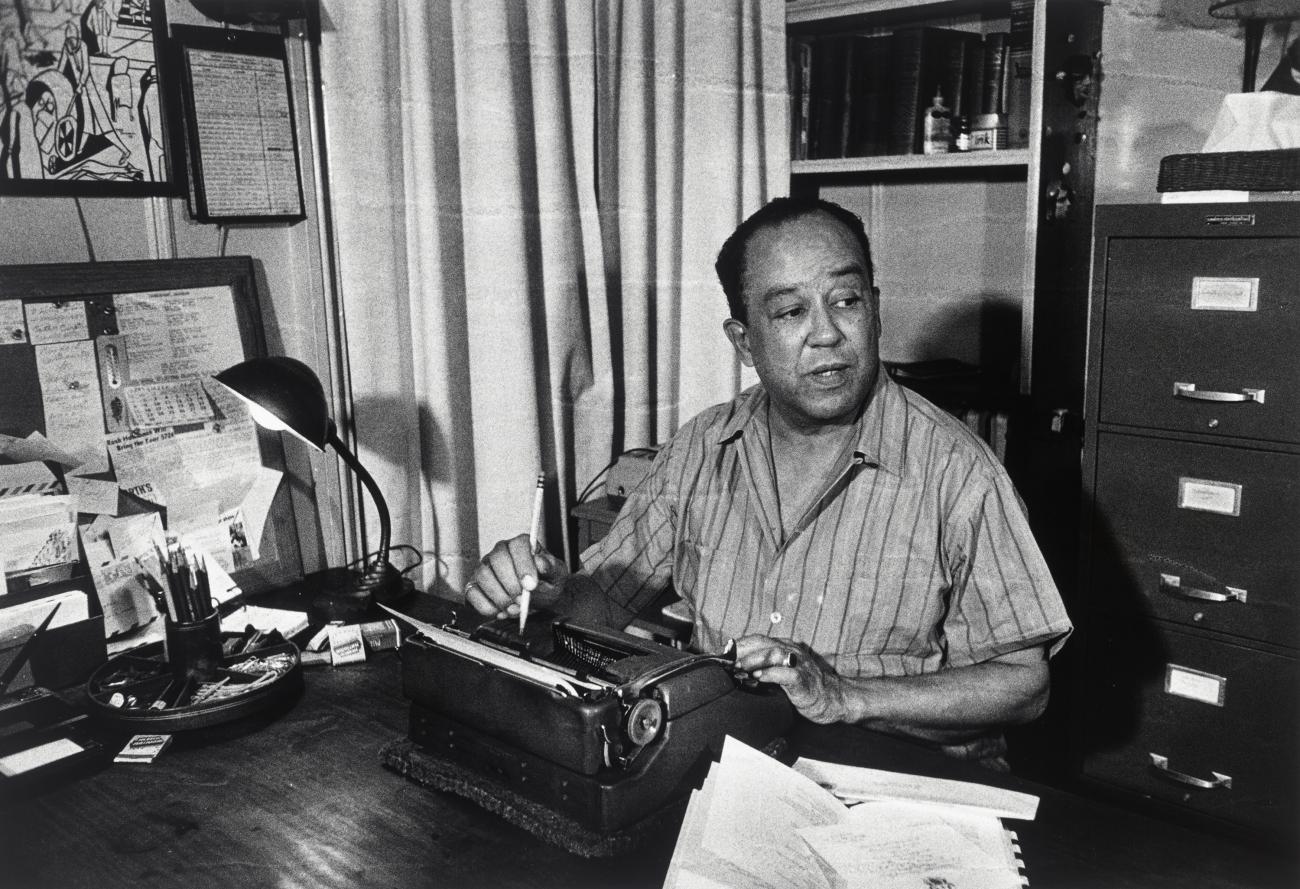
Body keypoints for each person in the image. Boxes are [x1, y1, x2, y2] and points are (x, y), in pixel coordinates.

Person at [465, 196, 1071, 766]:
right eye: (790, 311)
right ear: (744, 342)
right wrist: (541, 597)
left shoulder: (958, 471)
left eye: (847, 300)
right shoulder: (703, 447)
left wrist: (845, 695)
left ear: (876, 308)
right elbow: (601, 598)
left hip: (897, 783)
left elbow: (1024, 686)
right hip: (736, 763)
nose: (827, 333)